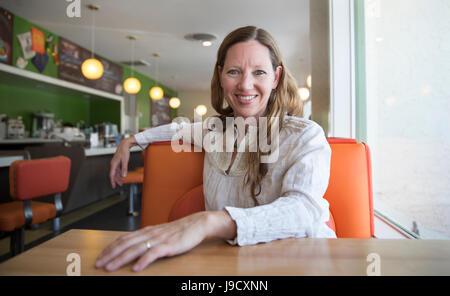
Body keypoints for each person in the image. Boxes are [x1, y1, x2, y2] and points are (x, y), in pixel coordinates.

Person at [95, 26, 336, 272]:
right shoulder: (214, 131)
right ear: (220, 76)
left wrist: (209, 222)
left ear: (275, 78)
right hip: (231, 265)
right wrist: (132, 140)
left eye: (259, 72)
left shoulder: (304, 135)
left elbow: (304, 211)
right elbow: (179, 129)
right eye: (234, 71)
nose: (245, 84)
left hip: (302, 264)